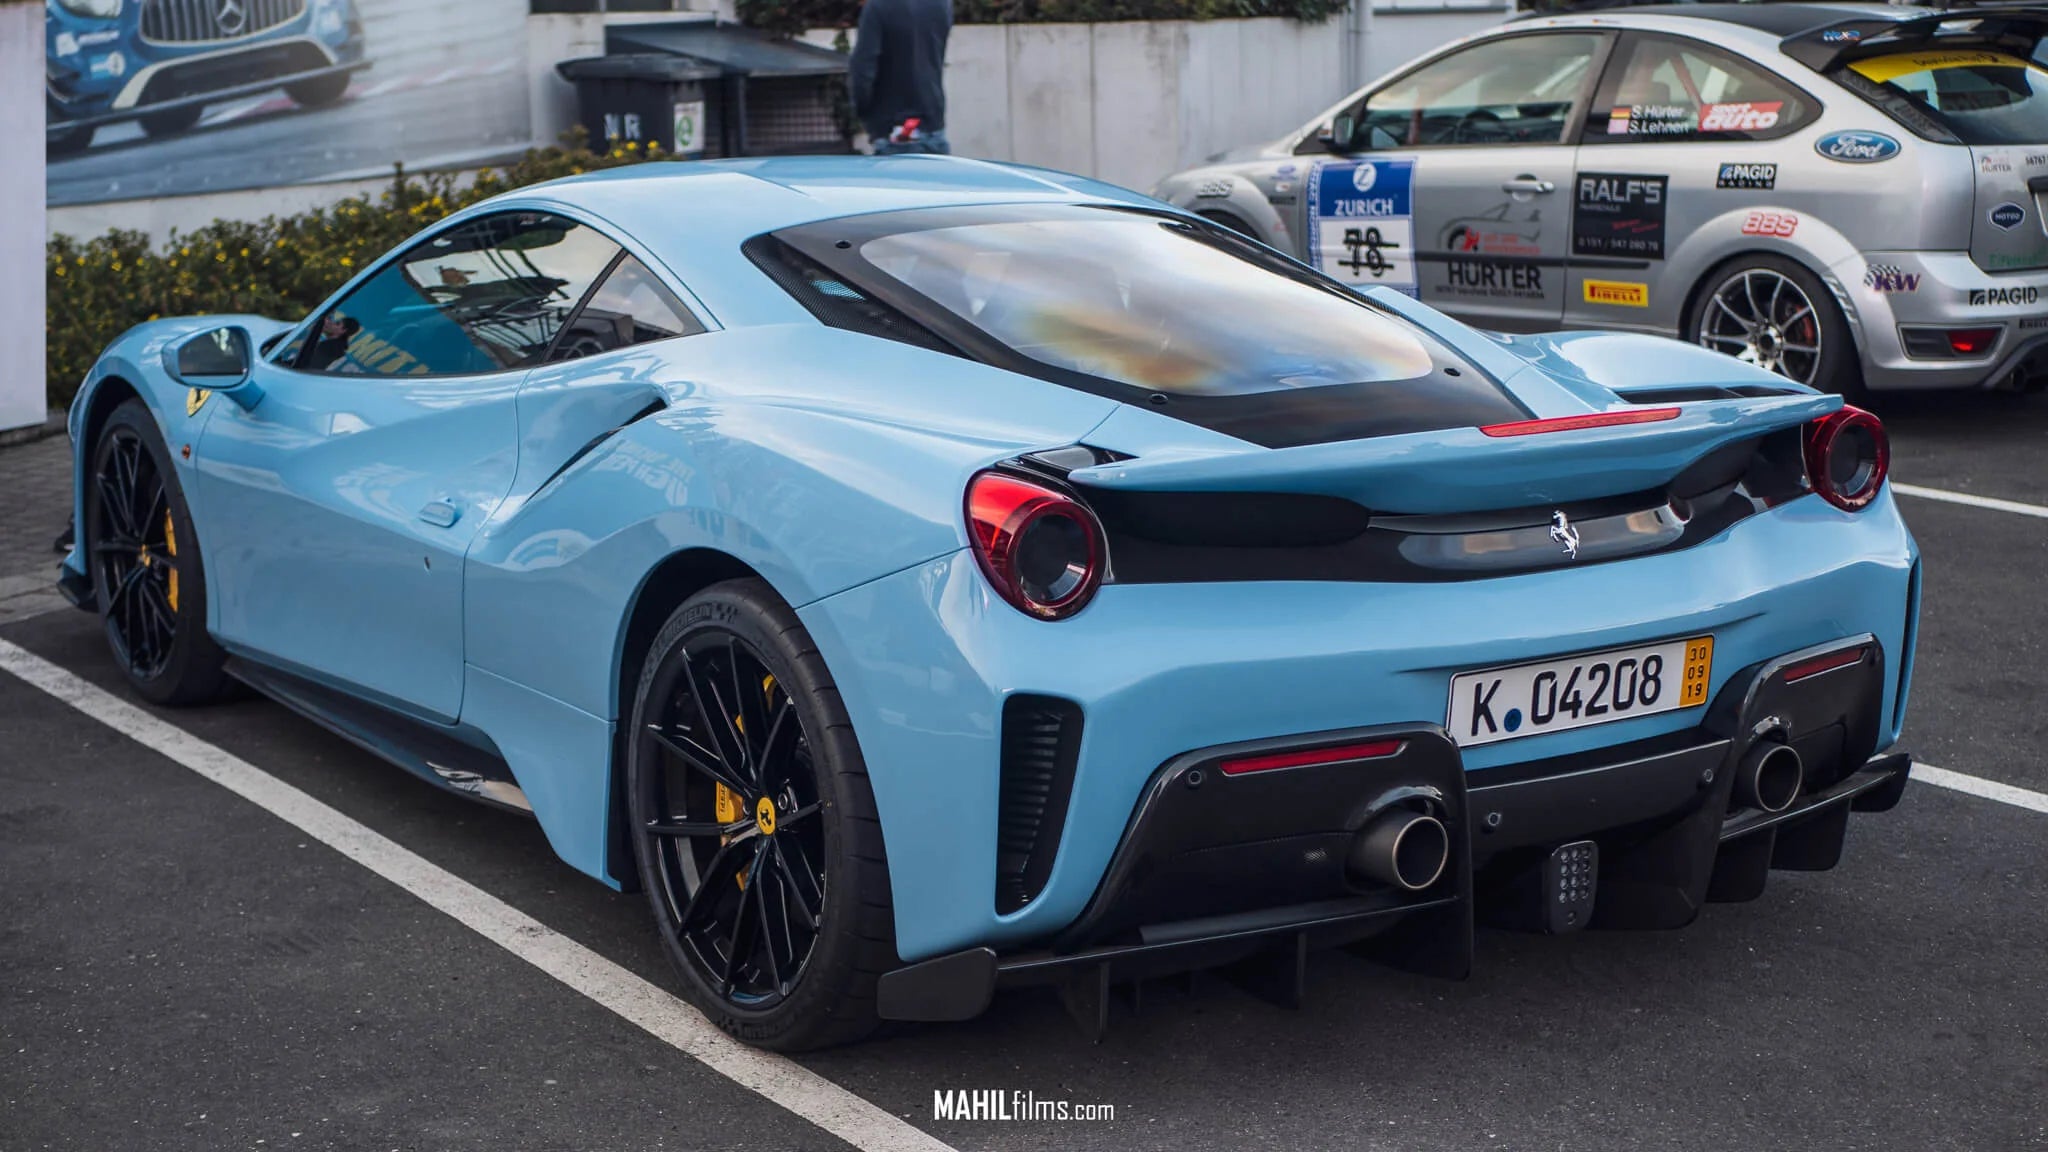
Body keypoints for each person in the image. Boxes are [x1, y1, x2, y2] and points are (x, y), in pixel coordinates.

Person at [847, 0, 952, 155]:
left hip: (893, 128)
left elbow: (863, 69)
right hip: (933, 123)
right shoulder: (942, 4)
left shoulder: (877, 8)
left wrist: (865, 113)